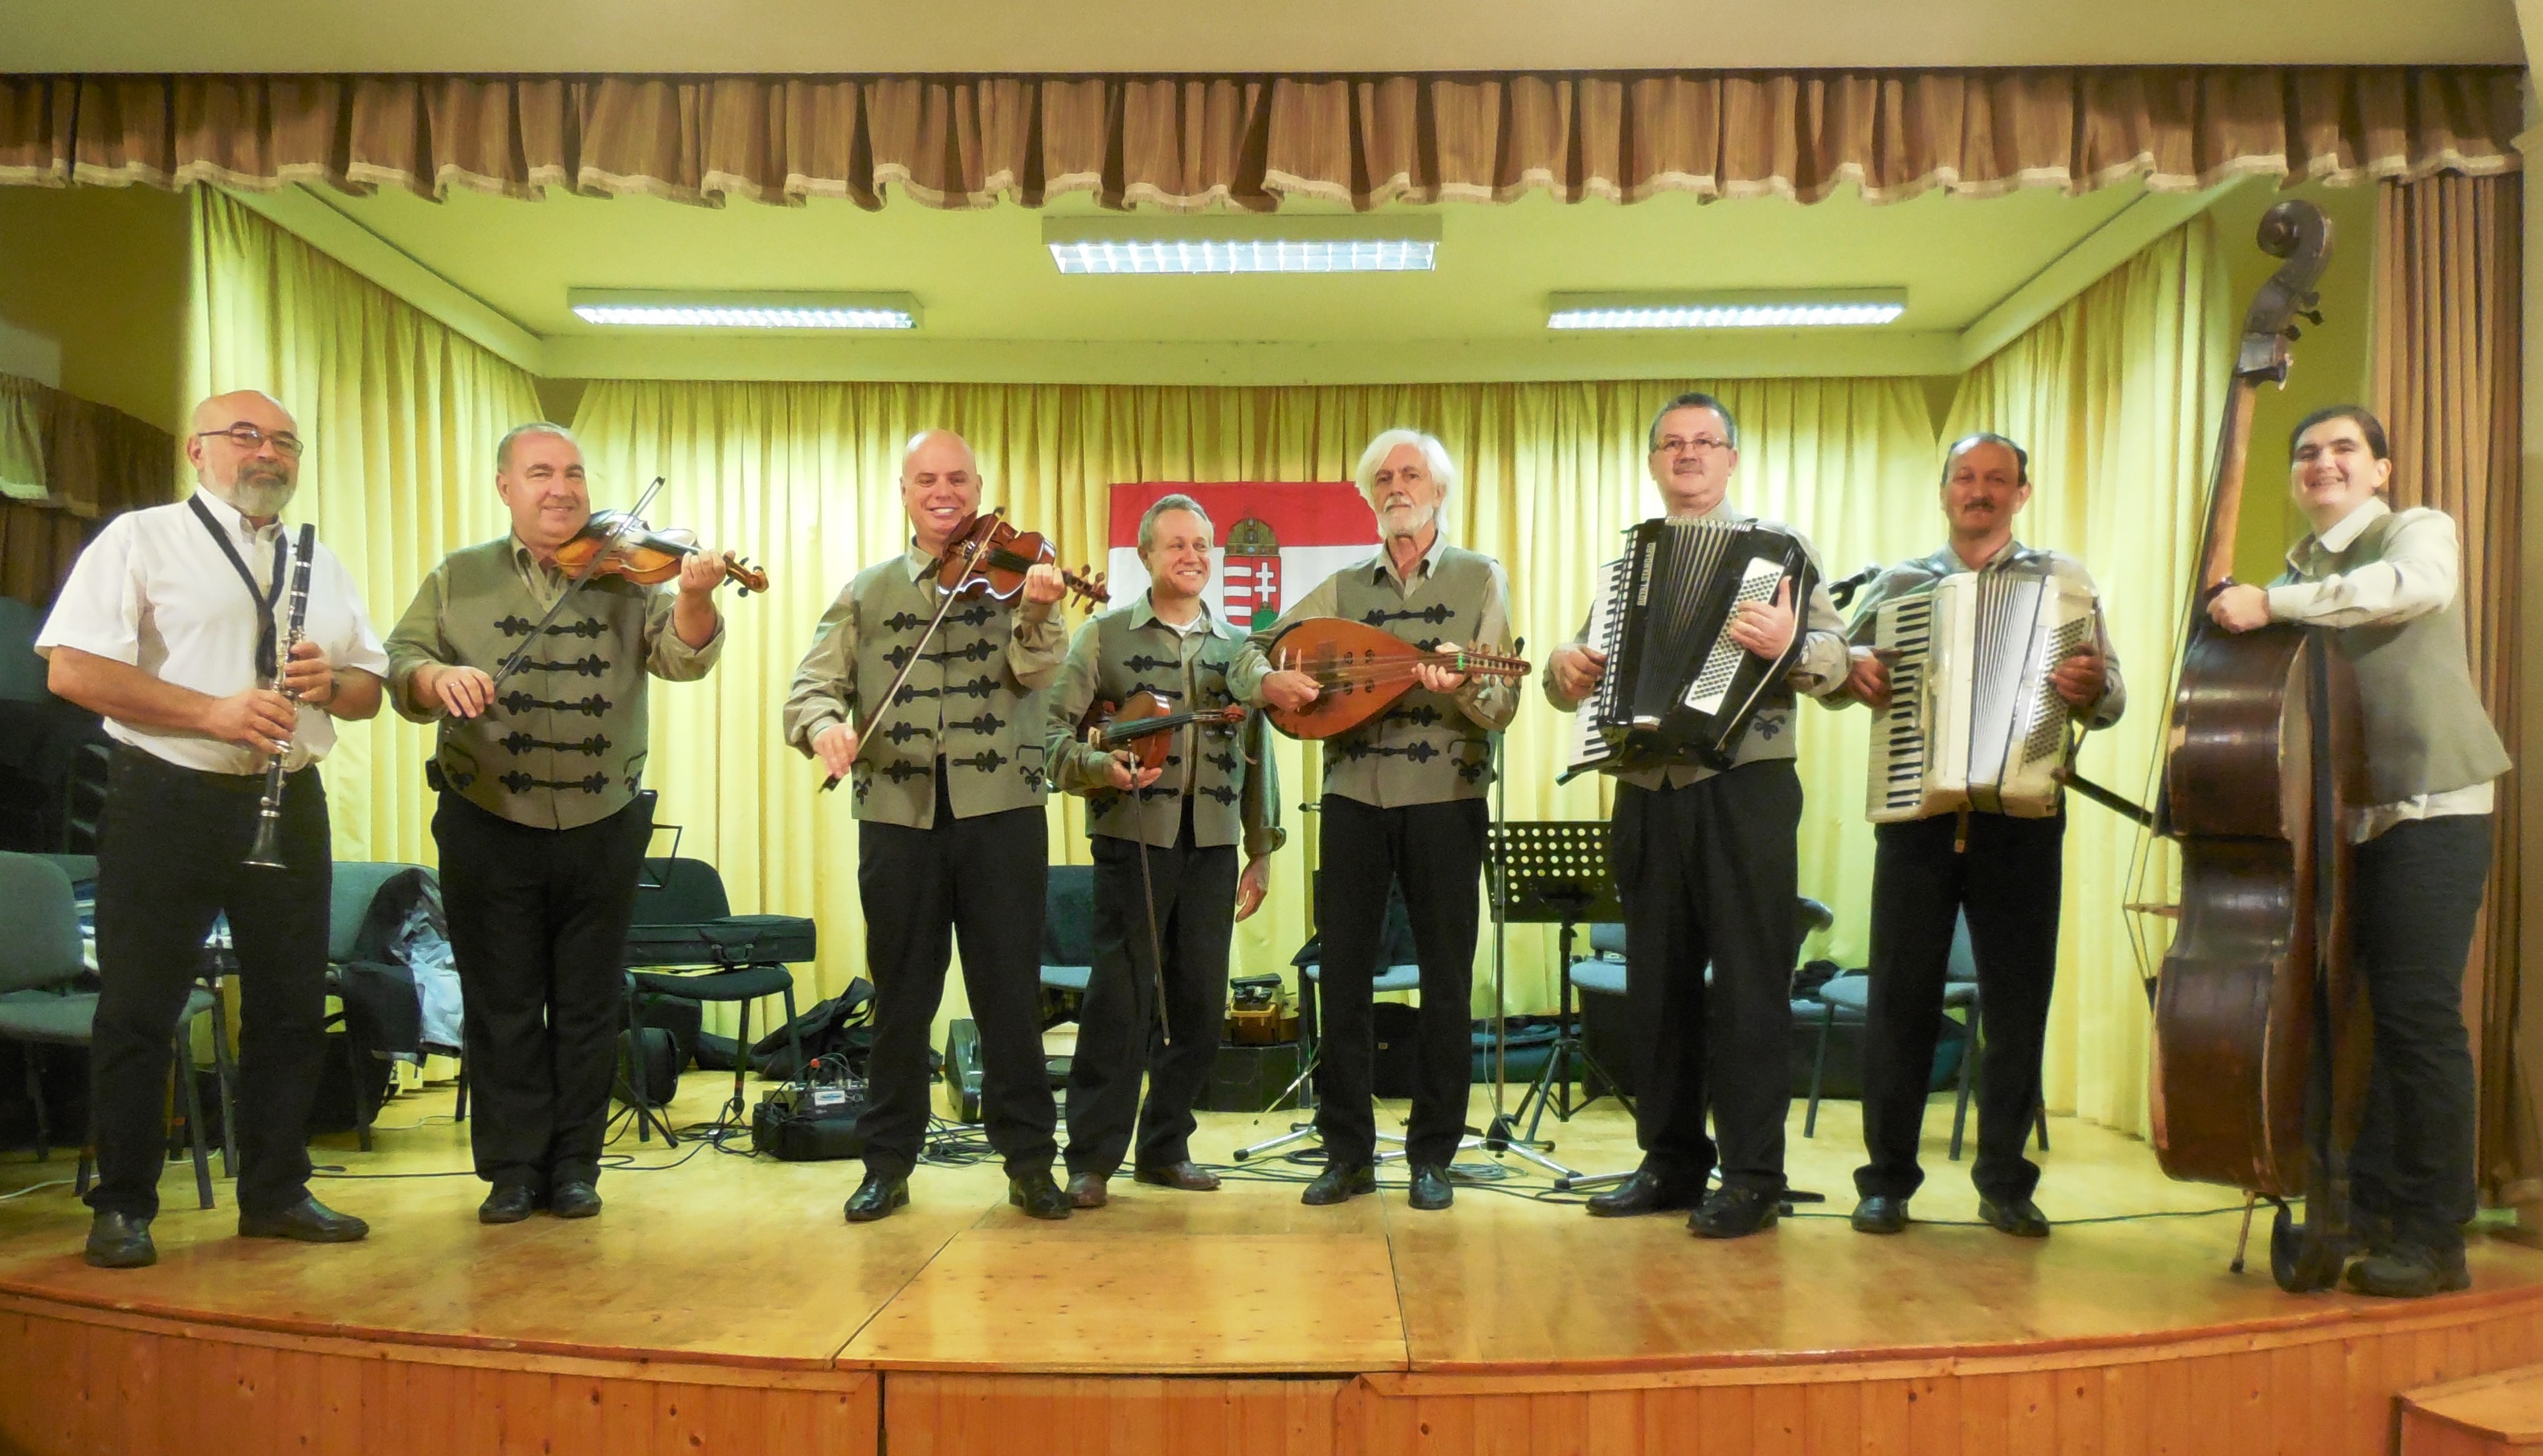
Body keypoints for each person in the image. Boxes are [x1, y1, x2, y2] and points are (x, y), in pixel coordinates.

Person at [39, 389, 387, 1268]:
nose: (267, 452)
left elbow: (368, 691)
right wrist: (212, 712)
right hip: (166, 795)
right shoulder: (141, 537)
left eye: (285, 441)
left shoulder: (318, 558)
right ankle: (123, 1203)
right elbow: (72, 670)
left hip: (287, 796)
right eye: (244, 435)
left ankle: (275, 1192)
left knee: (290, 1008)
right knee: (139, 1008)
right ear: (198, 450)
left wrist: (330, 683)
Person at [385, 422, 729, 1225]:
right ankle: (511, 1169)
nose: (562, 488)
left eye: (573, 473)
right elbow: (400, 662)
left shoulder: (627, 575)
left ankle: (576, 1165)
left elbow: (682, 658)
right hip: (486, 814)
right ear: (505, 486)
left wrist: (696, 597)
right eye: (541, 472)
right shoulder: (457, 576)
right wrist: (436, 677)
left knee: (587, 1002)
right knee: (501, 1000)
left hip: (602, 818)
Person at [2207, 405, 2509, 1299]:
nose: (2323, 462)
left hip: (2433, 805)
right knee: (2356, 1023)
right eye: (2307, 452)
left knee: (2416, 1018)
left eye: (2345, 448)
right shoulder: (2293, 571)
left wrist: (2272, 605)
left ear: (2380, 469)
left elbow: (2409, 589)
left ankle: (2436, 1235)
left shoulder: (2416, 531)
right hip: (2342, 824)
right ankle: (2368, 1210)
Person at [1542, 392, 1848, 1238]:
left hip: (1744, 787)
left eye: (1704, 441)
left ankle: (1752, 1176)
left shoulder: (1779, 551)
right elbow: (1579, 673)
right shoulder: (1630, 566)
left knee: (1750, 985)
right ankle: (1670, 1160)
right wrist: (1564, 669)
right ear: (1653, 462)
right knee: (1657, 988)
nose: (1687, 454)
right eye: (1672, 443)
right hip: (1647, 789)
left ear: (1730, 459)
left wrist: (1788, 644)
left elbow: (1835, 660)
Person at [1827, 432, 2122, 1240]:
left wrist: (2093, 686)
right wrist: (1855, 671)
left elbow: (2112, 696)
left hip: (2022, 817)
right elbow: (1838, 673)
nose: (1979, 490)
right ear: (1945, 491)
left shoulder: (2064, 582)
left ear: (2021, 493)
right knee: (1900, 1002)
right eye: (1965, 477)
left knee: (2018, 1005)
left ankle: (2005, 1181)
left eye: (1997, 478)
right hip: (1918, 816)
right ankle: (1886, 1181)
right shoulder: (1899, 583)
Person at [784, 429, 1074, 1223]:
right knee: (902, 998)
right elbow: (811, 688)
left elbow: (1038, 673)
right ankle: (886, 1163)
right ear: (906, 492)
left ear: (978, 488)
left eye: (957, 479)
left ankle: (1029, 1163)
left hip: (1001, 812)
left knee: (1009, 997)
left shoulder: (1017, 578)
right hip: (896, 814)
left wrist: (1041, 610)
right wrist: (824, 727)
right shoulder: (868, 590)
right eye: (926, 480)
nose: (943, 493)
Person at [1228, 429, 1518, 1212]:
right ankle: (1347, 1154)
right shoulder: (1341, 589)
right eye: (1383, 478)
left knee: (1446, 984)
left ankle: (1432, 1157)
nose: (1397, 487)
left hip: (1446, 799)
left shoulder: (1479, 576)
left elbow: (1503, 704)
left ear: (1438, 490)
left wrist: (1464, 684)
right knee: (1343, 979)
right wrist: (1268, 684)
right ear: (1368, 495)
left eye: (1410, 474)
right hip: (1353, 799)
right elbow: (1252, 648)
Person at [1043, 494, 1284, 1208]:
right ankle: (1091, 1159)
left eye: (1202, 545)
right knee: (1119, 1004)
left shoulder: (1237, 649)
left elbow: (1258, 756)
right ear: (1146, 555)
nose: (1192, 556)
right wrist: (1100, 767)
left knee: (1200, 1004)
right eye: (1176, 544)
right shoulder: (1102, 638)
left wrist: (1261, 849)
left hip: (1212, 846)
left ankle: (1165, 1146)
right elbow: (1050, 739)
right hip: (1132, 845)